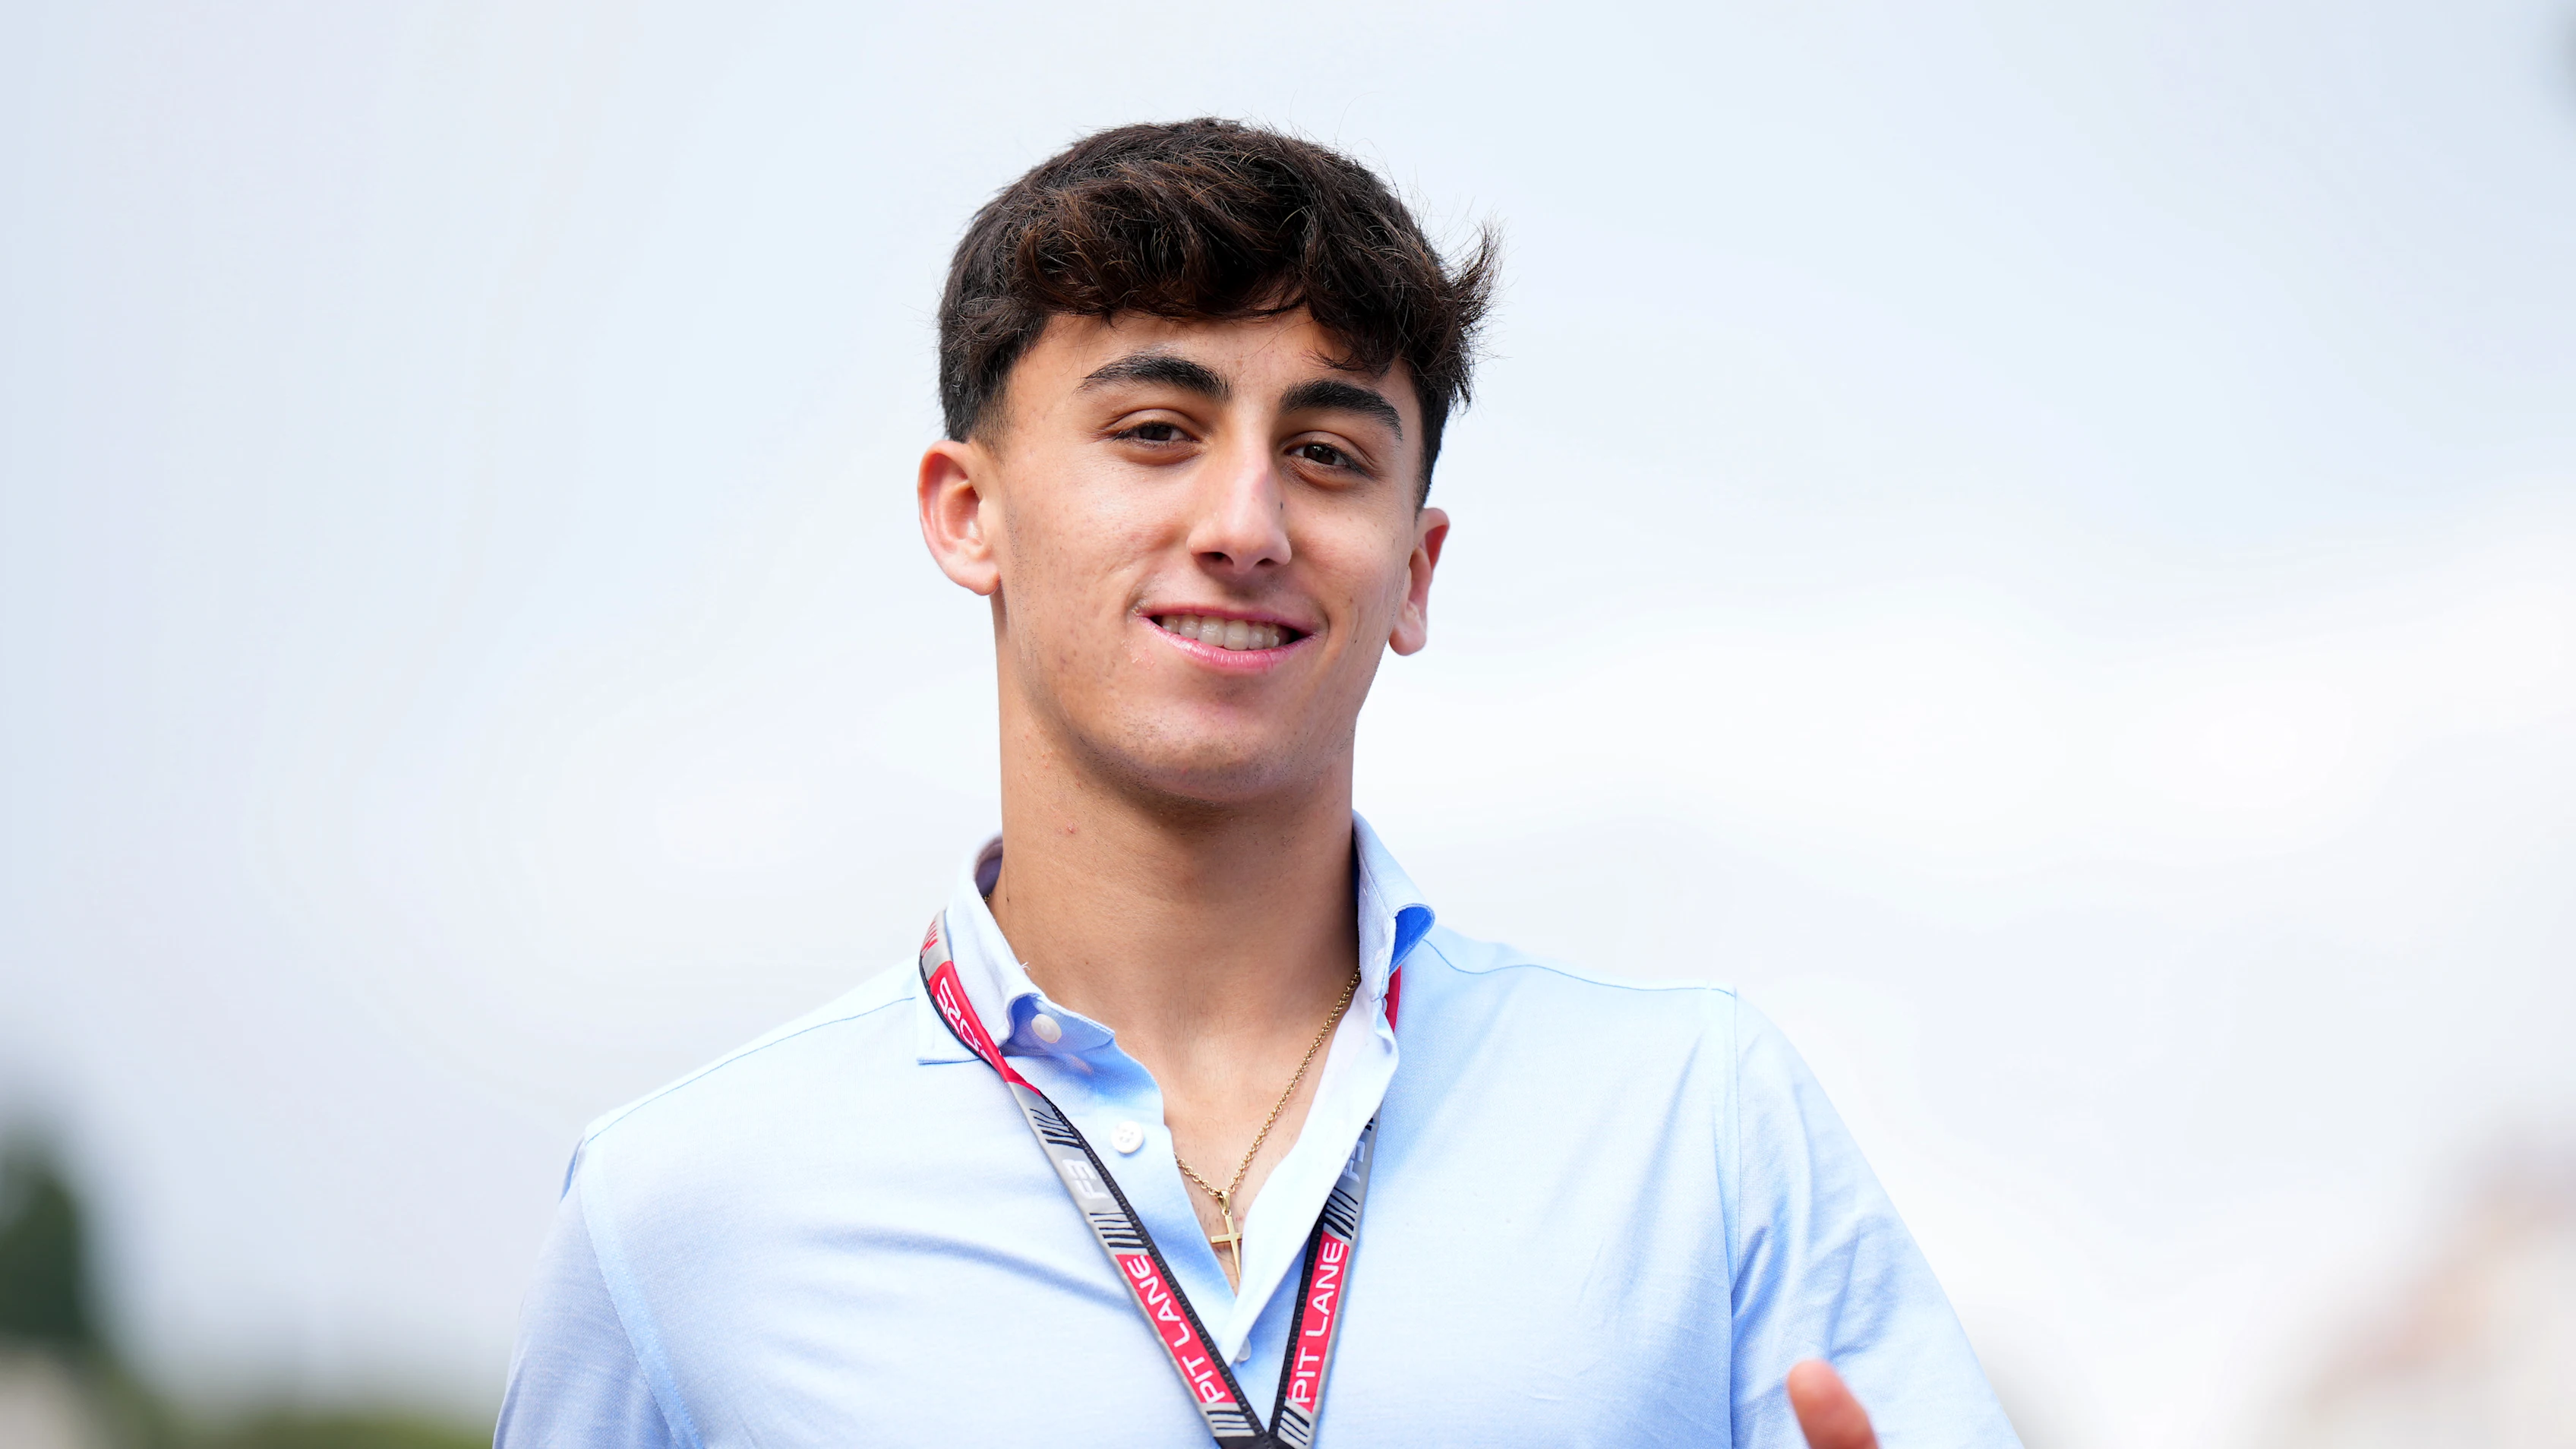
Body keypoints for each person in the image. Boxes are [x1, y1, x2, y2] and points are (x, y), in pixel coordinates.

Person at [497, 118, 2021, 1449]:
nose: (1245, 521)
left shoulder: (1696, 1122)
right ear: (968, 514)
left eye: (1330, 455)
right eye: (1154, 433)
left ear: (1414, 574)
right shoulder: (684, 1205)